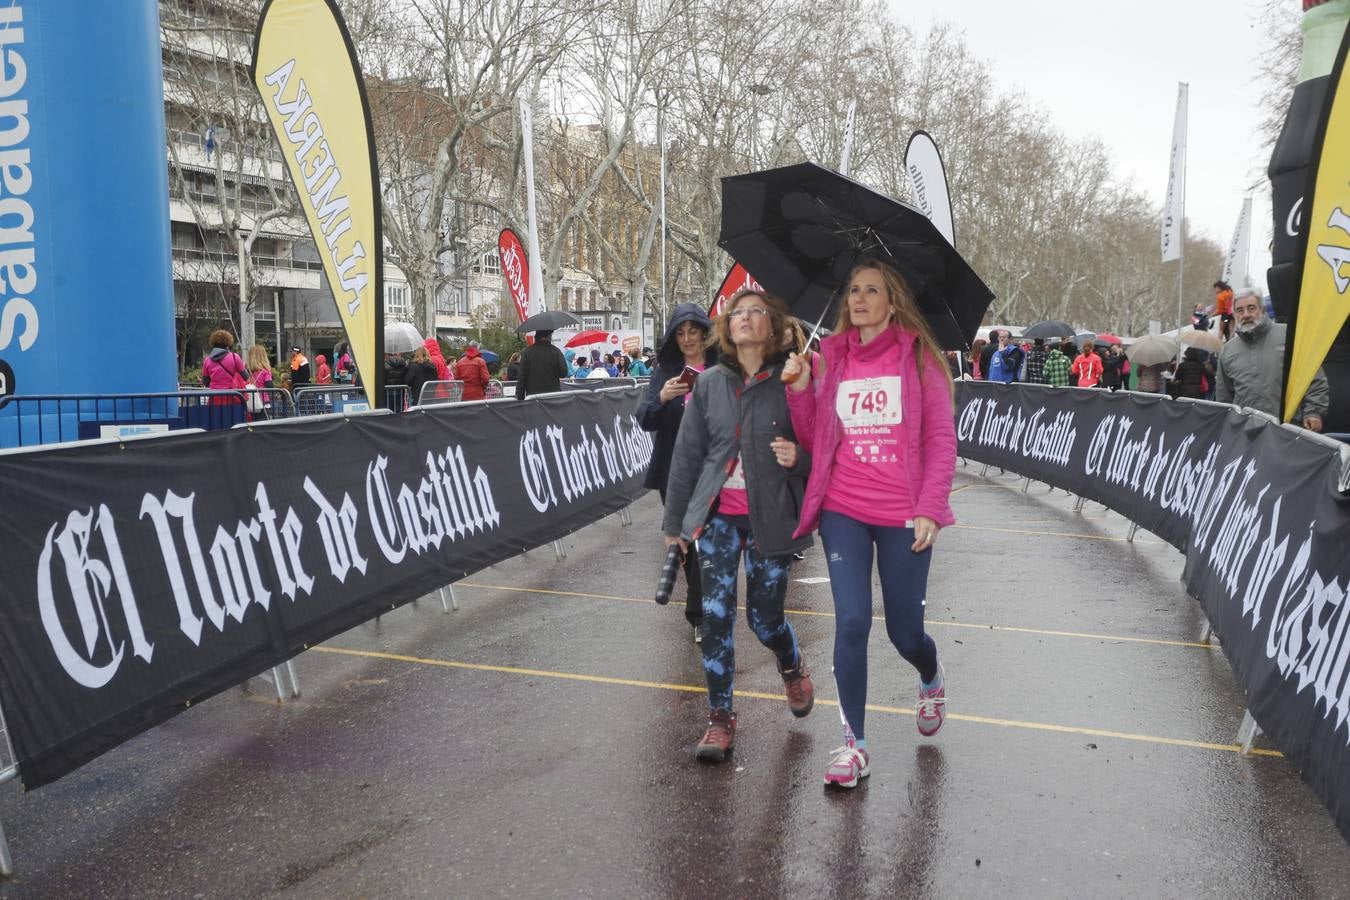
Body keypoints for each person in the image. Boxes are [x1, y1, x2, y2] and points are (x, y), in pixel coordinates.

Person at [781, 258, 956, 789]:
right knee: (852, 622)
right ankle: (853, 744)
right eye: (853, 290)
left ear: (892, 301)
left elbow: (940, 440)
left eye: (871, 290)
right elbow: (815, 439)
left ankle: (929, 674)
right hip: (844, 509)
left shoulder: (919, 357)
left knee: (905, 634)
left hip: (903, 513)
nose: (858, 299)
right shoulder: (830, 357)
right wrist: (800, 386)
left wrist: (930, 506)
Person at [663, 289, 815, 763]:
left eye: (757, 312)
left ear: (774, 326)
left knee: (764, 618)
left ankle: (789, 663)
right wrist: (676, 525)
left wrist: (799, 457)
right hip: (718, 518)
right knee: (716, 618)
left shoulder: (793, 379)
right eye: (738, 313)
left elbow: (824, 448)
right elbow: (687, 455)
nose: (745, 319)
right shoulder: (708, 383)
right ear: (726, 328)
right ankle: (720, 718)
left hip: (773, 518)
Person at [638, 303, 718, 643]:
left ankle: (715, 608)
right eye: (681, 333)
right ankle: (699, 615)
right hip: (674, 471)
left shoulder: (722, 366)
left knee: (713, 544)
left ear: (705, 333)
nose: (687, 339)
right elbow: (644, 419)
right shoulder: (666, 369)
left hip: (716, 469)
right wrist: (662, 396)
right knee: (687, 544)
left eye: (693, 332)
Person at [1216, 289, 1329, 430]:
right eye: (1240, 310)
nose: (1245, 315)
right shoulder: (1227, 351)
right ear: (1235, 315)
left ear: (1262, 310)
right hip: (1246, 435)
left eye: (1251, 308)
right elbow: (1224, 397)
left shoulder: (1289, 336)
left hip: (1289, 431)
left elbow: (1314, 378)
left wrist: (1313, 412)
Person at [202, 329, 248, 408]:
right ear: (228, 342)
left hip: (214, 398)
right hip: (232, 396)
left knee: (215, 419)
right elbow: (246, 377)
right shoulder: (234, 357)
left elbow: (205, 382)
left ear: (213, 342)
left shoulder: (207, 360)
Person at [516, 330, 568, 399]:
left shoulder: (527, 353)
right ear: (549, 336)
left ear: (536, 337)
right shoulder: (556, 351)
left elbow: (521, 378)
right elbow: (563, 373)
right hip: (554, 398)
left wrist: (520, 399)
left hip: (533, 398)